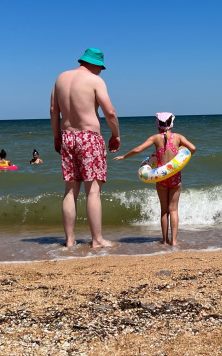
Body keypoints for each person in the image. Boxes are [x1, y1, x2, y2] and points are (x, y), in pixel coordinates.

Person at [50, 47, 121, 249]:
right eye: (101, 67)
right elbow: (110, 111)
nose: (101, 71)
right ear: (95, 64)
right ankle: (97, 240)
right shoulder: (95, 80)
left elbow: (54, 111)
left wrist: (57, 137)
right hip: (89, 138)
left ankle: (70, 241)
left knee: (70, 191)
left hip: (67, 136)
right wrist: (115, 135)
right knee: (93, 190)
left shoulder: (61, 78)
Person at [114, 113, 196, 246]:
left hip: (161, 179)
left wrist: (124, 156)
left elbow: (138, 149)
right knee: (173, 209)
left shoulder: (155, 138)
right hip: (175, 178)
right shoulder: (178, 137)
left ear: (158, 125)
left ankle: (164, 240)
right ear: (171, 124)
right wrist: (182, 149)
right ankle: (174, 241)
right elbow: (193, 148)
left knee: (164, 210)